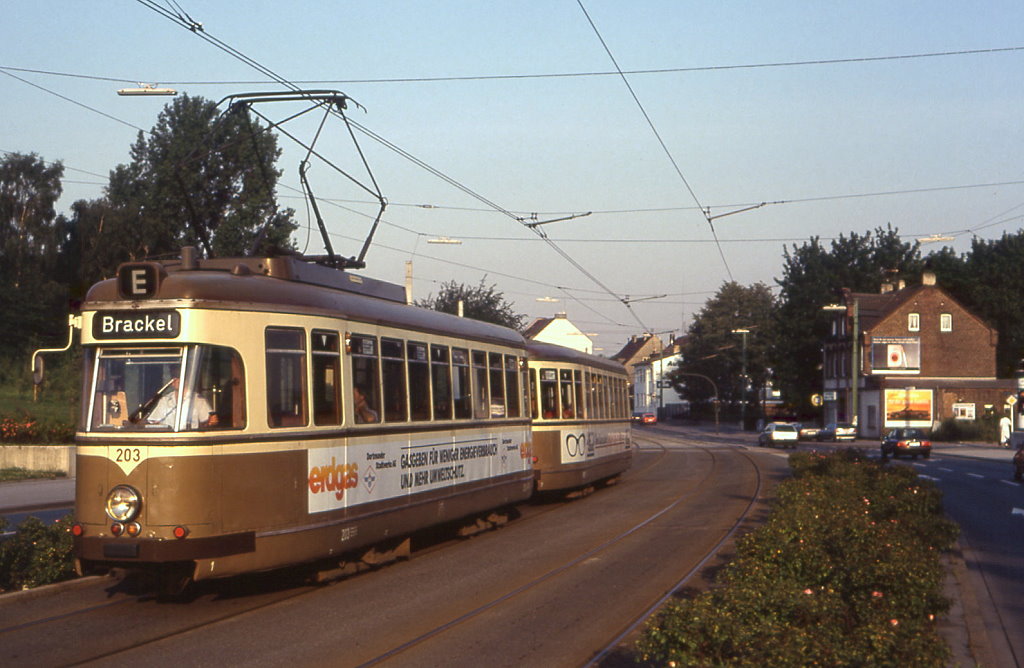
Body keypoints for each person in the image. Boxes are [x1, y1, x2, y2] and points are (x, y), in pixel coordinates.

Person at [149, 377, 218, 428]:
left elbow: (207, 422)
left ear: (186, 381)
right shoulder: (165, 400)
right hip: (168, 439)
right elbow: (154, 421)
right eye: (174, 379)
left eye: (179, 377)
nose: (176, 381)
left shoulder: (198, 400)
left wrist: (211, 422)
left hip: (189, 439)